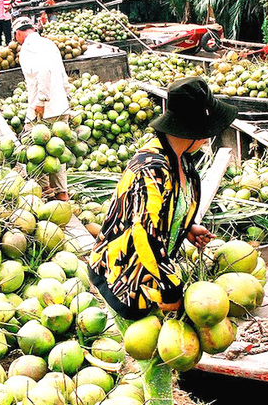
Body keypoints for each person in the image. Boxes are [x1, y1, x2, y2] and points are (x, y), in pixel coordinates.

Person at [87, 77, 239, 321]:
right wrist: (172, 289)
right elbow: (144, 235)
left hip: (152, 273)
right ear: (194, 130)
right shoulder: (151, 169)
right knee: (152, 352)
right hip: (125, 277)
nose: (208, 138)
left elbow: (163, 210)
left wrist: (185, 227)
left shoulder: (182, 158)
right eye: (207, 132)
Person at [13, 16, 71, 201]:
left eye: (15, 36)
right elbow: (62, 72)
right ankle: (61, 192)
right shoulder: (49, 43)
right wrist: (67, 95)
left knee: (34, 148)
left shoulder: (28, 48)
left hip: (44, 108)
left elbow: (44, 70)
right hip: (60, 106)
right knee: (56, 151)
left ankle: (44, 190)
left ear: (19, 33)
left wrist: (41, 100)